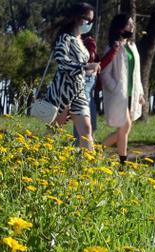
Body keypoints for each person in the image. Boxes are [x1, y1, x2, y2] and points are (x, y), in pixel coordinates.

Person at [46, 3, 100, 150]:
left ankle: (90, 167)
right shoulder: (65, 38)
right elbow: (61, 61)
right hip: (63, 91)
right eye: (87, 19)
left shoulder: (81, 41)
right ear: (77, 18)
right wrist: (85, 66)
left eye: (91, 21)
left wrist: (89, 70)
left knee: (86, 130)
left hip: (78, 91)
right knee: (54, 130)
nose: (90, 23)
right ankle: (38, 157)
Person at [99, 14, 145, 164]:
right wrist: (116, 88)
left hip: (132, 94)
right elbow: (104, 72)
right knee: (126, 126)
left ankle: (96, 150)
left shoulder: (132, 46)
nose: (132, 27)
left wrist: (141, 93)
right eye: (128, 25)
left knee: (123, 130)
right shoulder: (112, 48)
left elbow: (137, 72)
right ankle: (123, 163)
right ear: (119, 27)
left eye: (132, 25)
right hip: (119, 95)